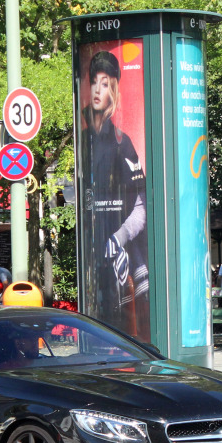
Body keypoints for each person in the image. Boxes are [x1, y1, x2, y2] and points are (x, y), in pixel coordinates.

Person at [82, 48, 149, 338]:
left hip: (118, 258)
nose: (98, 89)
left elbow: (142, 205)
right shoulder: (83, 141)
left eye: (106, 82)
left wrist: (118, 238)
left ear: (114, 90)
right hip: (95, 260)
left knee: (124, 331)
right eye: (94, 80)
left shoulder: (123, 143)